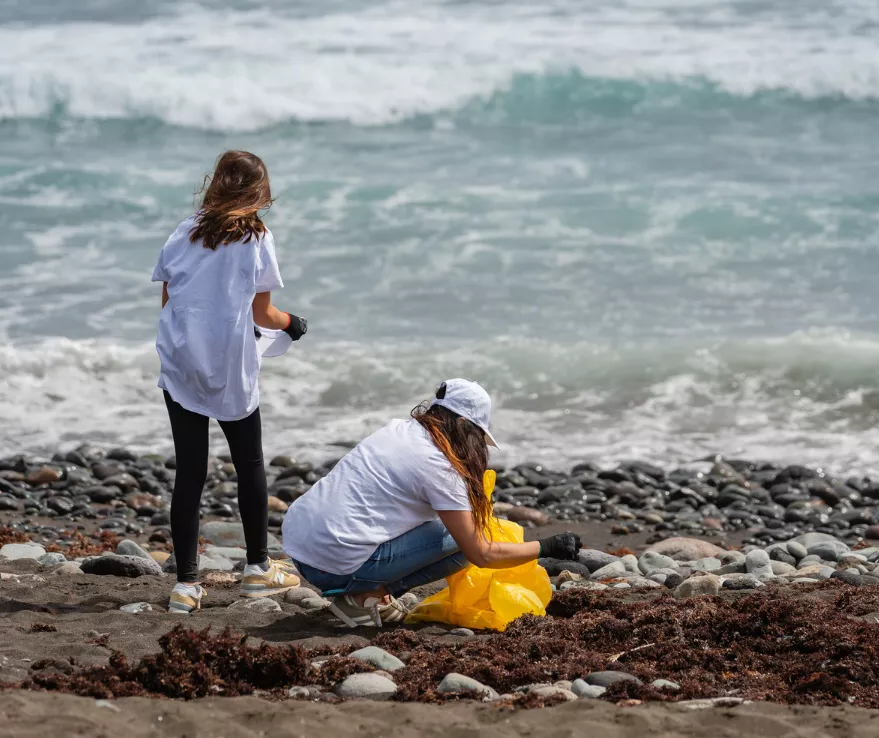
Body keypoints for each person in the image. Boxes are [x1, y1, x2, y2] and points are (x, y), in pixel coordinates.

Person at [282, 378, 583, 627]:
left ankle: (367, 591)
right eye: (478, 435)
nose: (479, 445)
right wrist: (548, 546)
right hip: (330, 565)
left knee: (445, 528)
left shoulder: (396, 429)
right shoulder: (440, 468)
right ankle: (363, 597)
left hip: (301, 546)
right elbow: (482, 554)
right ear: (464, 425)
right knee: (461, 542)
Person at [151, 150, 309, 614]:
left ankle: (185, 585)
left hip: (182, 361)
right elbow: (263, 313)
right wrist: (292, 323)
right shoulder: (256, 238)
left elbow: (167, 297)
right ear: (258, 192)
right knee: (250, 463)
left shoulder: (185, 231)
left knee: (191, 471)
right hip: (227, 365)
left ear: (216, 184)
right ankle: (257, 570)